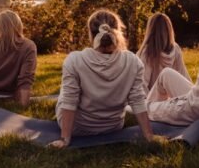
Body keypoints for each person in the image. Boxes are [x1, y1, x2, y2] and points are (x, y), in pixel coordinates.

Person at [51, 10, 154, 148]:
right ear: (117, 32)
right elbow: (137, 100)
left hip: (77, 129)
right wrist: (149, 136)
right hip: (112, 127)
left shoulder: (75, 60)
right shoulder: (133, 61)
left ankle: (66, 132)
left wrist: (65, 140)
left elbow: (70, 100)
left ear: (90, 33)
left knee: (66, 91)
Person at [137, 12, 191, 91]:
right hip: (167, 99)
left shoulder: (148, 52)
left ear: (150, 30)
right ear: (169, 31)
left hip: (154, 100)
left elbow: (141, 85)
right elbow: (185, 77)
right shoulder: (175, 49)